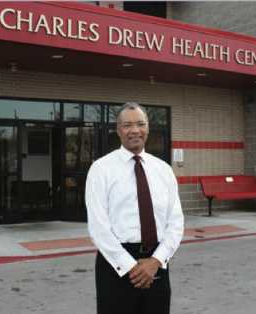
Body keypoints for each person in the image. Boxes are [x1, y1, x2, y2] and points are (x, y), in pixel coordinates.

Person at [85, 102, 184, 314]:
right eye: (127, 124)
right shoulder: (101, 169)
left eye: (140, 124)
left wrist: (156, 261)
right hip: (115, 265)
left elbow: (175, 222)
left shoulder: (163, 170)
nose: (135, 130)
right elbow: (98, 227)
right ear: (118, 130)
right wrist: (130, 267)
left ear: (148, 128)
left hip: (156, 262)